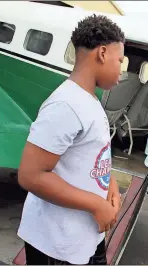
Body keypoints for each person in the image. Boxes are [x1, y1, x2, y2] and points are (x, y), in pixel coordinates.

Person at [16, 15, 125, 265]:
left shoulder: (91, 100)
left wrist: (111, 186)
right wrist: (96, 205)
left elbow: (95, 155)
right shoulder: (65, 104)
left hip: (86, 237)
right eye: (120, 60)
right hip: (56, 244)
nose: (122, 70)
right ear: (103, 53)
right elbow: (31, 175)